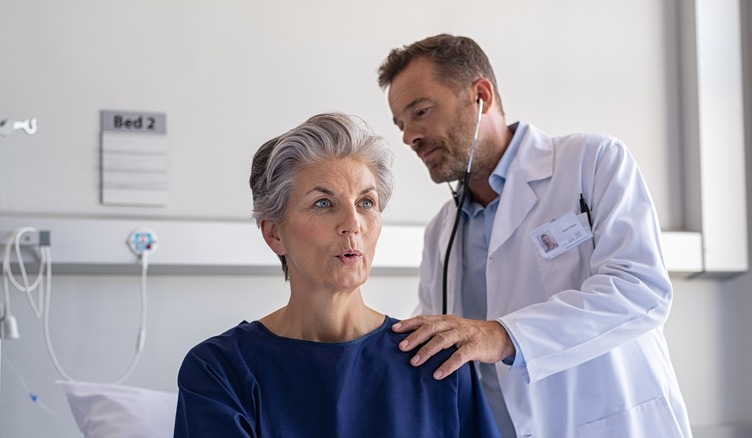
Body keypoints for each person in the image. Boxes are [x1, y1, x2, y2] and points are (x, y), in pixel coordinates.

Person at [377, 34, 692, 437]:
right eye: (401, 124)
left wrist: (503, 335)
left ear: (481, 95)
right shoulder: (442, 231)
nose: (409, 136)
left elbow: (641, 289)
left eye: (420, 111)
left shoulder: (593, 163)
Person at [173, 112, 500, 437]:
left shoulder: (440, 361)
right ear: (275, 234)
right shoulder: (220, 371)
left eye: (366, 203)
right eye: (323, 203)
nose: (353, 224)